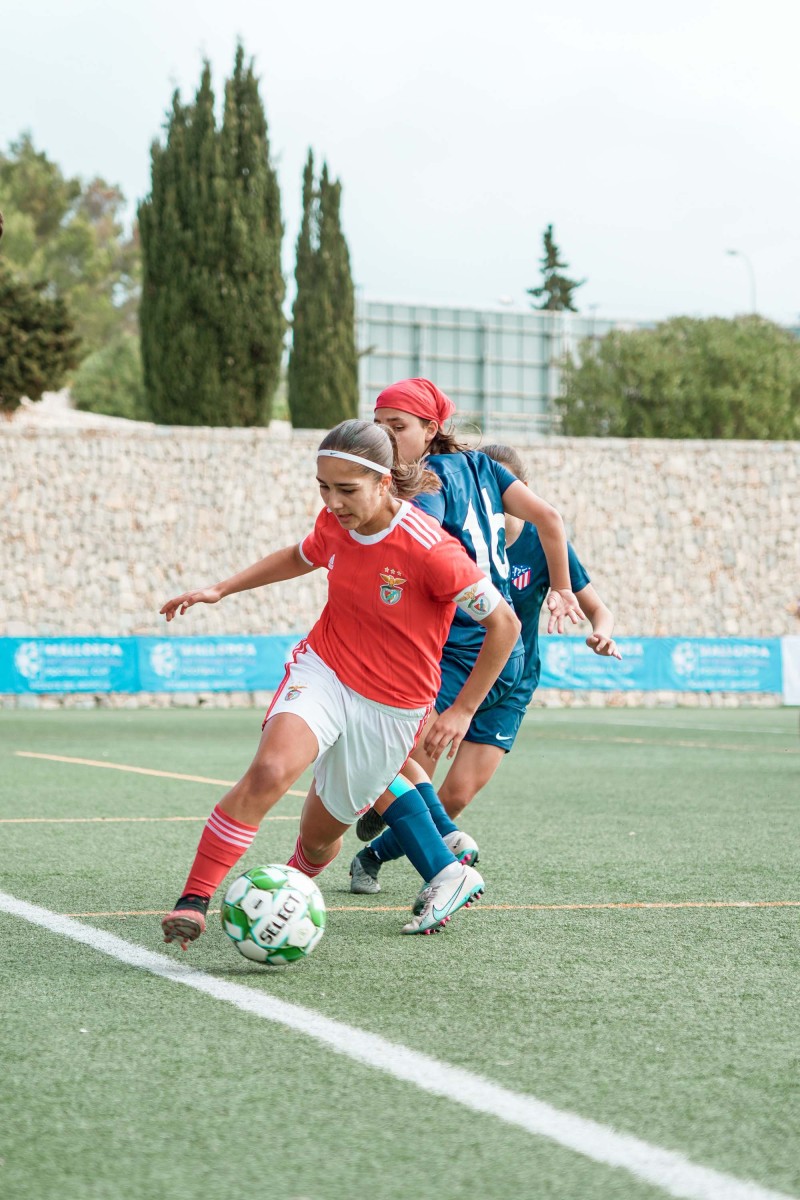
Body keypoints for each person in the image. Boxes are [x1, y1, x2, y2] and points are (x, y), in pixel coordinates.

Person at [159, 419, 521, 946]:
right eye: (323, 487)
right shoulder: (335, 522)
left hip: (392, 708)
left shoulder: (432, 549)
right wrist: (221, 589)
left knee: (318, 838)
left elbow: (504, 625)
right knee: (270, 770)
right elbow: (300, 555)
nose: (333, 502)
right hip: (325, 671)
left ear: (383, 482)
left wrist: (463, 710)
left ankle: (293, 886)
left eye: (346, 489)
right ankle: (193, 900)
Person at [351, 441, 621, 896]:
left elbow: (598, 608)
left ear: (520, 490)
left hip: (510, 684)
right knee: (413, 765)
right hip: (458, 666)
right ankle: (428, 847)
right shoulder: (460, 535)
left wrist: (602, 632)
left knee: (456, 796)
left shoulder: (543, 542)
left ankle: (372, 856)